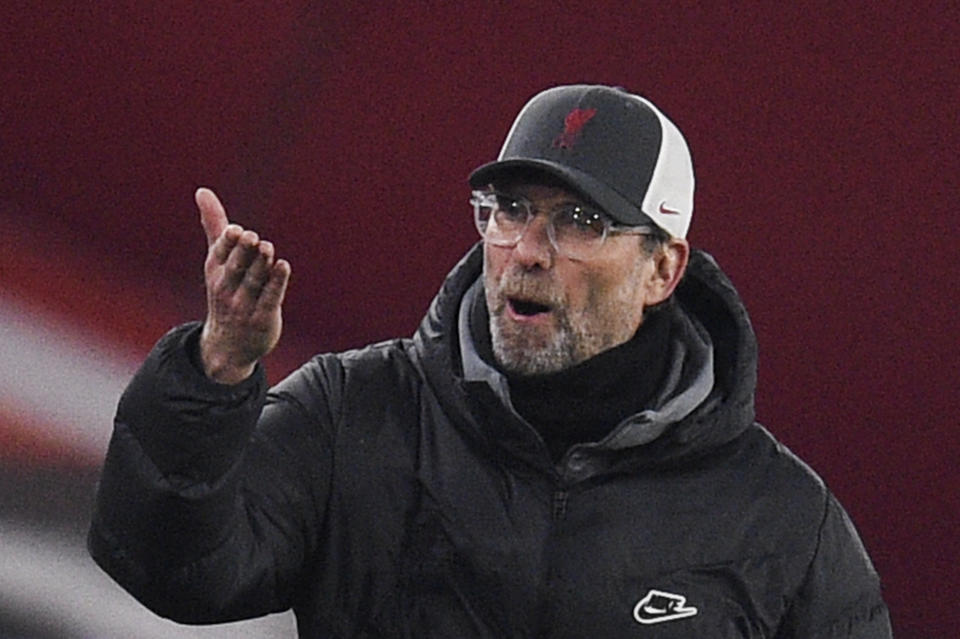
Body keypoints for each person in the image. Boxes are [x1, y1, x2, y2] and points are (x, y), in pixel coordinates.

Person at [89, 84, 892, 637]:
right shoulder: (355, 412)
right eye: (510, 211)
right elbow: (169, 569)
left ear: (663, 270)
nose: (526, 252)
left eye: (579, 220)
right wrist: (215, 371)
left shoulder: (782, 525)